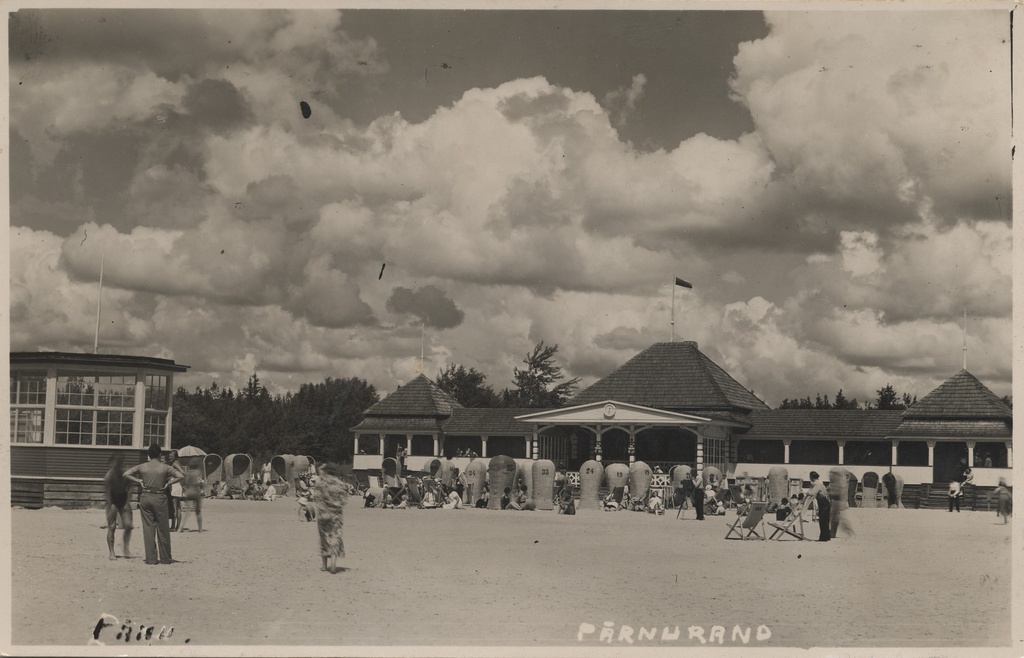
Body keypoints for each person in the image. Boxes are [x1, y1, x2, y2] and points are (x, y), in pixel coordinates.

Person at [123, 444, 183, 565]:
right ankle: (165, 558)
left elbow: (126, 474)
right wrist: (169, 484)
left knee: (148, 528)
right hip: (160, 497)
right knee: (163, 528)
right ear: (160, 455)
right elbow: (181, 476)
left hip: (145, 497)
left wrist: (139, 481)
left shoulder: (142, 466)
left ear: (149, 455)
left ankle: (151, 558)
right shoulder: (165, 467)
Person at [304, 462, 350, 574]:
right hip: (336, 515)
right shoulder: (341, 485)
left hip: (323, 515)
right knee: (335, 536)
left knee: (324, 538)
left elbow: (316, 499)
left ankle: (324, 566)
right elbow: (344, 501)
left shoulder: (320, 484)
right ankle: (333, 563)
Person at [103, 454, 134, 560]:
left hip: (123, 501)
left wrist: (127, 503)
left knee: (129, 526)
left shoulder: (125, 473)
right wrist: (111, 505)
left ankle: (126, 549)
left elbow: (130, 488)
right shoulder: (109, 475)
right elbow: (108, 493)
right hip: (112, 502)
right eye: (116, 462)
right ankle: (112, 552)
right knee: (111, 527)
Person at [806, 471, 831, 542]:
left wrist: (807, 493)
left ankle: (823, 537)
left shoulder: (816, 484)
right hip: (825, 501)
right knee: (825, 519)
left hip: (823, 502)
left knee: (823, 519)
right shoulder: (820, 482)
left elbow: (813, 492)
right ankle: (826, 536)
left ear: (811, 477)